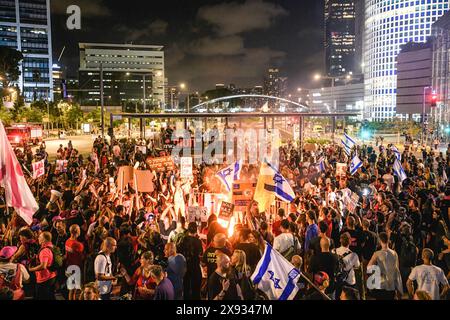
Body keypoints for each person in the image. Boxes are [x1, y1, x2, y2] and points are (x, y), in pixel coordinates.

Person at [367, 232, 403, 300]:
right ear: (388, 240)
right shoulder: (394, 253)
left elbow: (369, 267)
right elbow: (397, 270)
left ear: (380, 241)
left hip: (381, 284)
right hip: (392, 285)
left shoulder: (377, 254)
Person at [28, 232, 57, 300]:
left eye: (40, 237)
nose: (38, 238)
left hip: (44, 279)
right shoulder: (51, 246)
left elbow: (43, 266)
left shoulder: (45, 250)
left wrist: (31, 269)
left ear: (44, 239)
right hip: (52, 276)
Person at [178, 222, 203, 300]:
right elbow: (200, 253)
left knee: (186, 286)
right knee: (195, 287)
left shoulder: (182, 240)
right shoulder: (198, 241)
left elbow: (179, 251)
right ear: (196, 230)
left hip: (185, 266)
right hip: (195, 266)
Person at [335, 232, 361, 299]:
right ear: (349, 242)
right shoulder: (354, 255)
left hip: (337, 280)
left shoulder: (334, 251)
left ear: (340, 241)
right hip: (349, 281)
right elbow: (357, 266)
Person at [65, 224, 85, 300]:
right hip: (76, 268)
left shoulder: (67, 241)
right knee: (76, 290)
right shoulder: (78, 245)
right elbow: (82, 257)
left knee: (71, 290)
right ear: (77, 231)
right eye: (79, 229)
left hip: (69, 267)